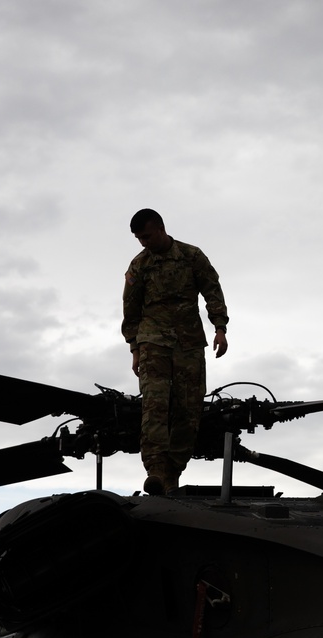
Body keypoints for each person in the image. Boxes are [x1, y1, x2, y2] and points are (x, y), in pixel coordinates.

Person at [121, 208, 229, 495]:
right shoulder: (139, 265)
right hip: (153, 343)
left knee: (188, 408)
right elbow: (130, 311)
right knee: (155, 406)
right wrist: (135, 348)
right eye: (138, 238)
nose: (142, 242)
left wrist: (220, 327)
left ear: (160, 228)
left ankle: (172, 472)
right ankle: (154, 469)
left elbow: (212, 290)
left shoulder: (191, 256)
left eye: (145, 236)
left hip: (189, 343)